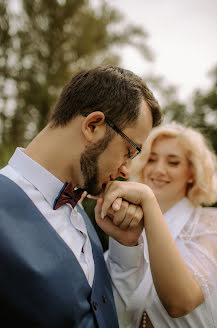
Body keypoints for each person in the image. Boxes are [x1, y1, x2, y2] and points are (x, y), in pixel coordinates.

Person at [0, 66, 162, 327]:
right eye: (129, 151)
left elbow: (101, 314)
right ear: (93, 126)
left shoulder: (81, 215)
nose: (126, 170)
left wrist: (125, 245)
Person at [125, 122, 217, 328]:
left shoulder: (213, 224)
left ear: (193, 172)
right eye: (151, 159)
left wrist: (147, 201)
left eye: (173, 162)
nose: (158, 170)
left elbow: (180, 303)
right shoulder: (129, 230)